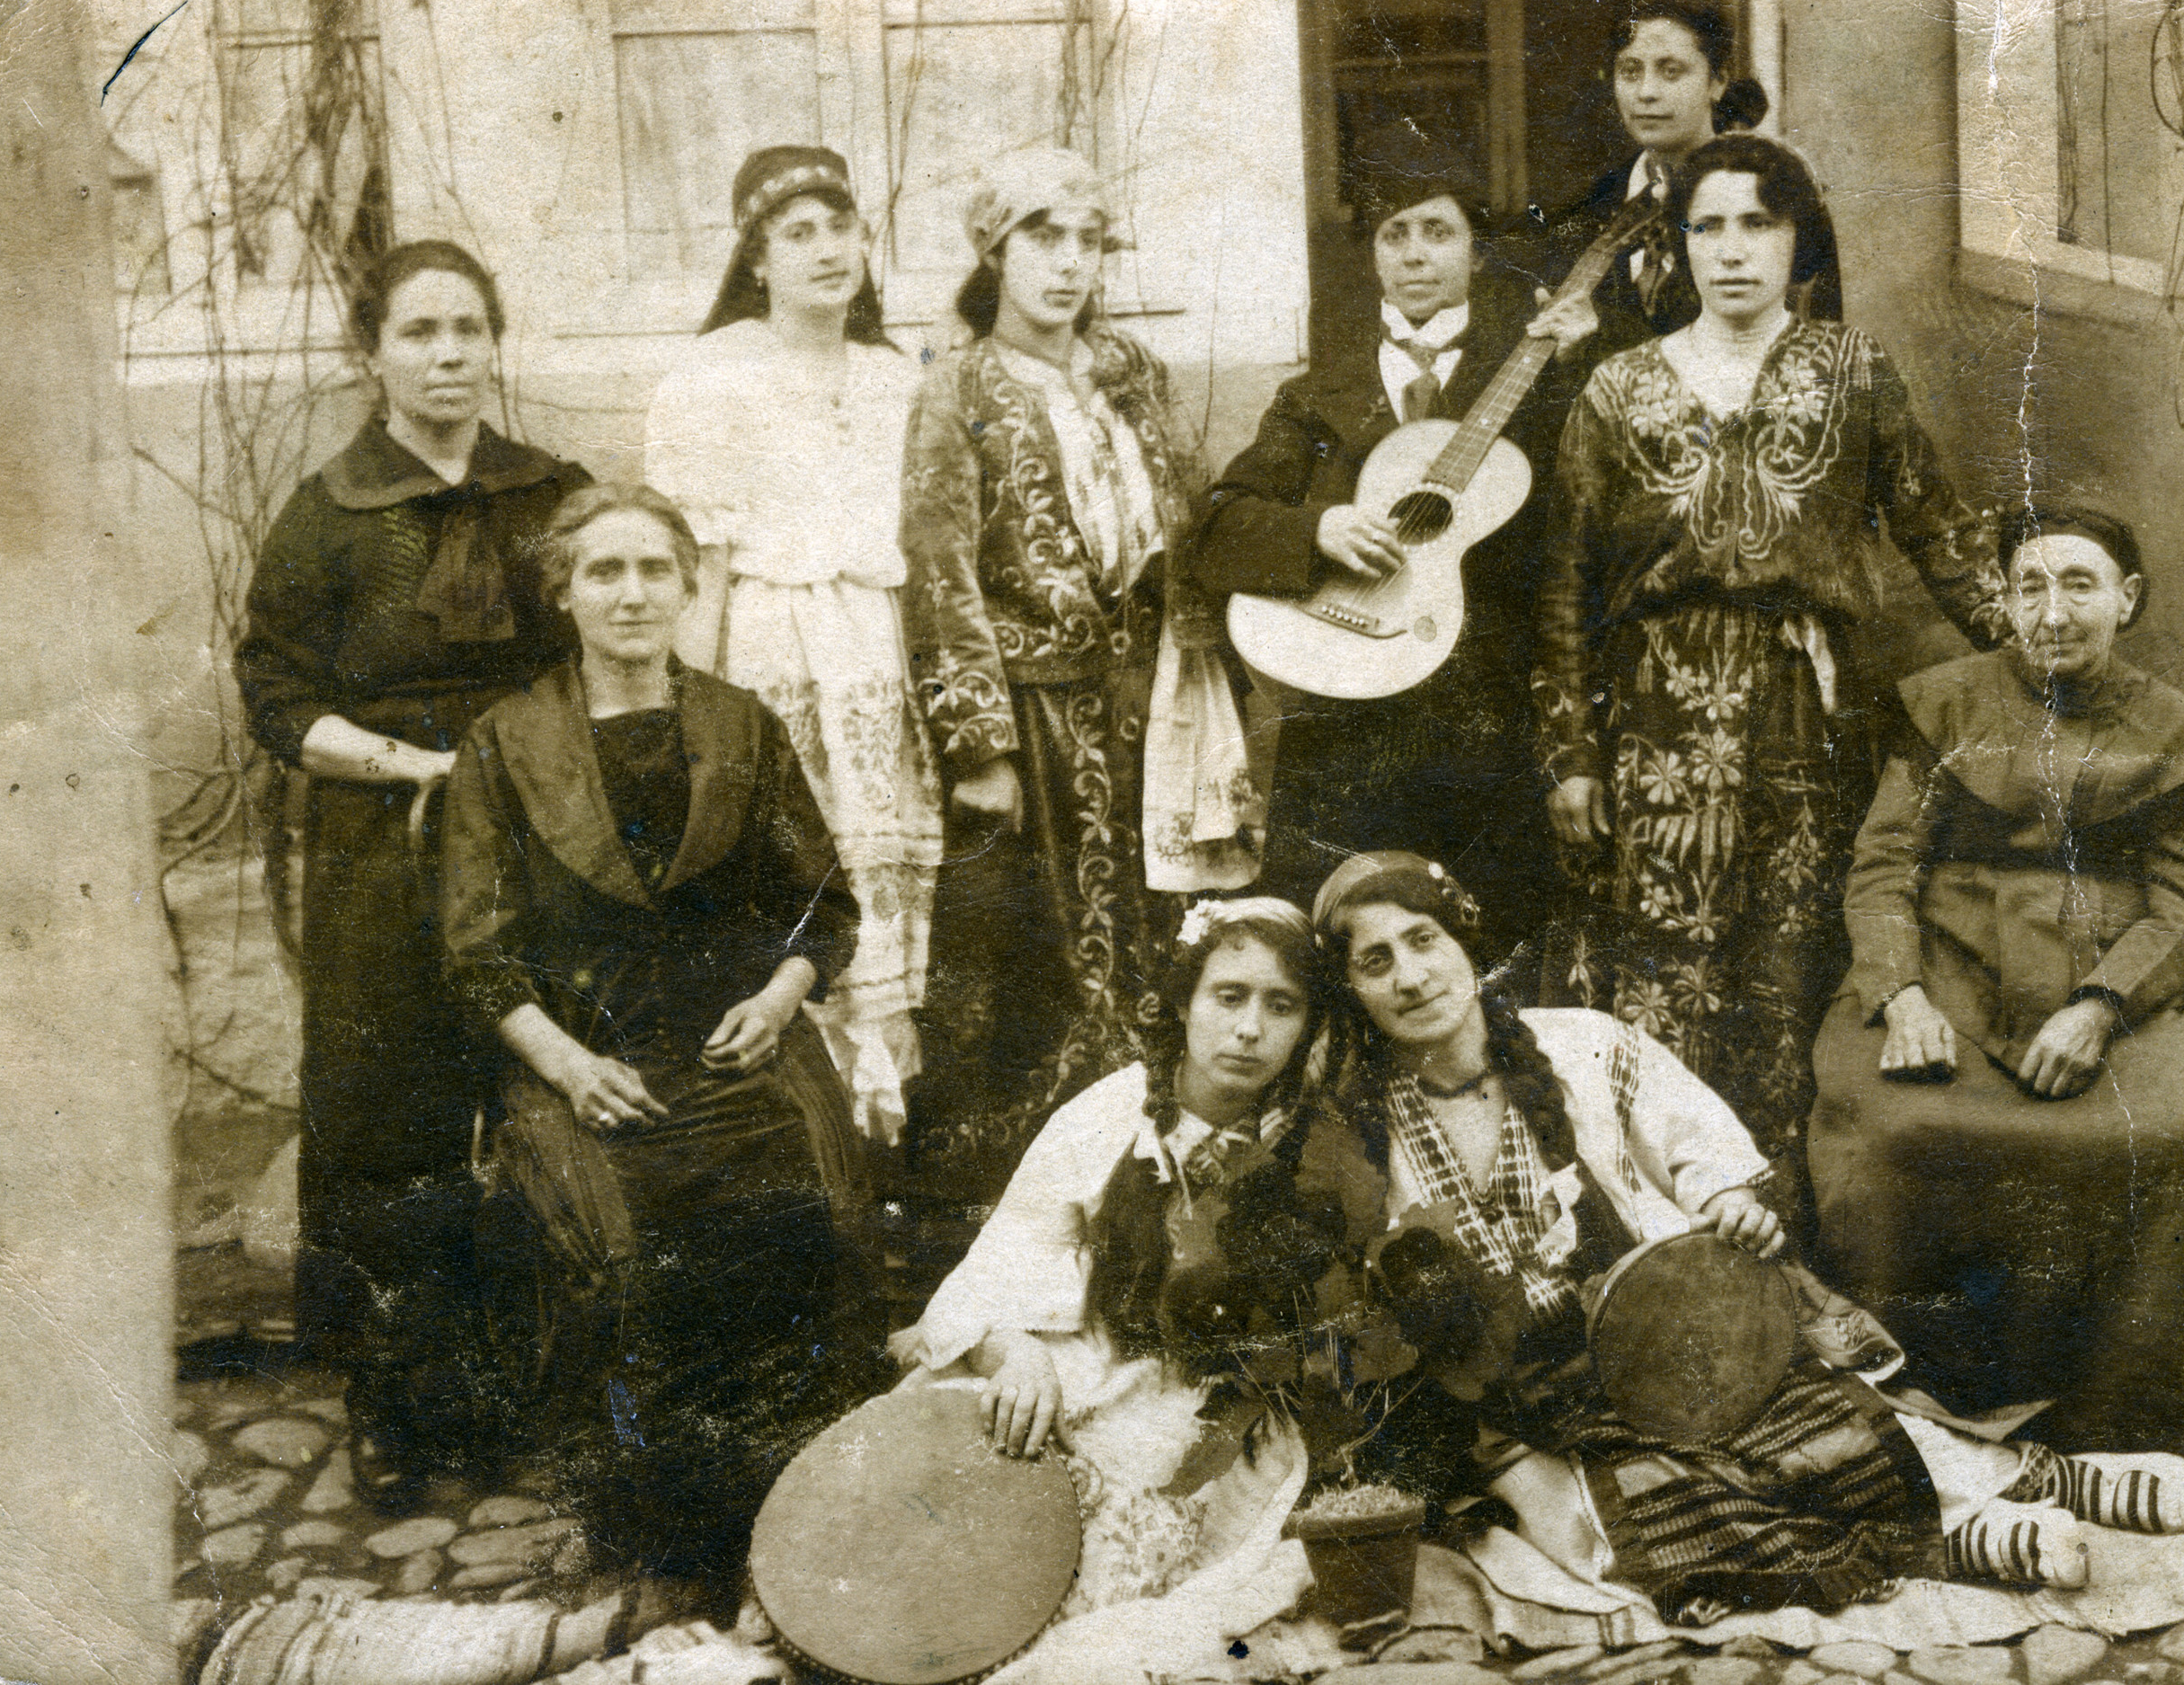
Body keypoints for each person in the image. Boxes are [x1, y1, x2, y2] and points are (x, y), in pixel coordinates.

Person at [1312, 853, 2184, 1632]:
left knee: (1822, 1420)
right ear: (1354, 990)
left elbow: (1693, 1137)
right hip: (1535, 1386)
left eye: (1424, 940)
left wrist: (1725, 1200)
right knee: (1632, 1513)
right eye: (1375, 961)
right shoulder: (1363, 1125)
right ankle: (1956, 1539)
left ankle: (2045, 1477)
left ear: (1466, 940)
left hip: (1676, 1327)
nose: (1412, 976)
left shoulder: (1582, 1044)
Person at [1536, 133, 2007, 1176]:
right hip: (1654, 713)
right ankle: (1660, 1218)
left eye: (1760, 224)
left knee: (1788, 960)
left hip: (1806, 701)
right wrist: (1570, 753)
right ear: (1681, 244)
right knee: (1658, 960)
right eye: (1709, 226)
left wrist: (2039, 663)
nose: (1733, 250)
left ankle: (1788, 1227)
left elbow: (1941, 533)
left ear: (1801, 241)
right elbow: (1565, 582)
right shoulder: (1616, 390)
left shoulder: (1852, 370)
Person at [438, 483, 883, 1577]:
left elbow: (823, 904)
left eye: (652, 570)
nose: (630, 594)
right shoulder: (505, 742)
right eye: (603, 571)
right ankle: (669, 1517)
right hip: (586, 1056)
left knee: (811, 1198)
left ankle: (811, 1486)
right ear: (565, 593)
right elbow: (473, 951)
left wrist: (779, 1001)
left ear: (690, 585)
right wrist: (572, 1066)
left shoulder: (742, 723)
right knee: (618, 1250)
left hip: (739, 1042)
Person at [1807, 506, 2184, 1507]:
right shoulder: (1941, 704)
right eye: (2030, 585)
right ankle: (1919, 1436)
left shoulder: (2172, 733)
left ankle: (2147, 1432)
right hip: (1945, 968)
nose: (2053, 609)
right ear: (2005, 602)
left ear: (2127, 598)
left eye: (2079, 583)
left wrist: (2100, 1007)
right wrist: (1899, 990)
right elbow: (1885, 865)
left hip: (2119, 974)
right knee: (1895, 1127)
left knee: (2170, 1141)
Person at [234, 239, 593, 1503]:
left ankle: (539, 1379)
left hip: (540, 831)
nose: (448, 357)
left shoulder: (553, 493)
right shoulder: (329, 514)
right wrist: (413, 767)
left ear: (494, 344)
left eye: (467, 331)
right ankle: (403, 1399)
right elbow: (276, 697)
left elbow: (606, 643)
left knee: (538, 1089)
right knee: (393, 1111)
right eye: (420, 333)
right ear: (372, 354)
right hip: (383, 847)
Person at [892, 897, 1344, 1681]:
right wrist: (1014, 1353)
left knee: (1123, 1536)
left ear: (1307, 1026)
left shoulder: (1311, 1140)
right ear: (1185, 1000)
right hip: (1077, 1356)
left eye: (1282, 1007)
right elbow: (992, 1271)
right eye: (1228, 996)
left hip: (1204, 1401)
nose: (1248, 1030)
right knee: (953, 1469)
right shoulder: (1112, 1112)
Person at [1187, 121, 1593, 971]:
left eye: (1438, 231)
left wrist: (1579, 363)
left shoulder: (1537, 378)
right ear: (1371, 256)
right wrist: (1316, 529)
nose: (1415, 254)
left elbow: (1585, 543)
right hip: (1343, 730)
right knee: (1333, 961)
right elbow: (1216, 529)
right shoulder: (1314, 397)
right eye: (1394, 234)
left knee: (1492, 958)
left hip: (1484, 729)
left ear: (1477, 253)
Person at [897, 146, 1204, 1168]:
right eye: (1043, 237)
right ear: (996, 250)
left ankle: (1162, 1151)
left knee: (1165, 926)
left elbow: (1184, 517)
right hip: (1036, 715)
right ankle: (1027, 1175)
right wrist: (980, 746)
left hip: (1149, 697)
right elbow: (939, 571)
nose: (1069, 264)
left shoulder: (1133, 373)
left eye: (1088, 241)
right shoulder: (960, 386)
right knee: (1046, 950)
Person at [645, 144, 945, 1145]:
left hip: (879, 654)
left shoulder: (897, 377)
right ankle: (798, 1123)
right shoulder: (715, 375)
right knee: (788, 869)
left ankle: (886, 1122)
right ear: (758, 259)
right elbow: (703, 566)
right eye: (797, 233)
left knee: (881, 882)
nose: (828, 250)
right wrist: (691, 709)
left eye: (842, 226)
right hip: (771, 650)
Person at [1530, 0, 1770, 362]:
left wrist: (1604, 338)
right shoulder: (1589, 210)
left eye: (1671, 71)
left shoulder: (1766, 199)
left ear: (1717, 81)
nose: (1646, 93)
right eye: (1630, 71)